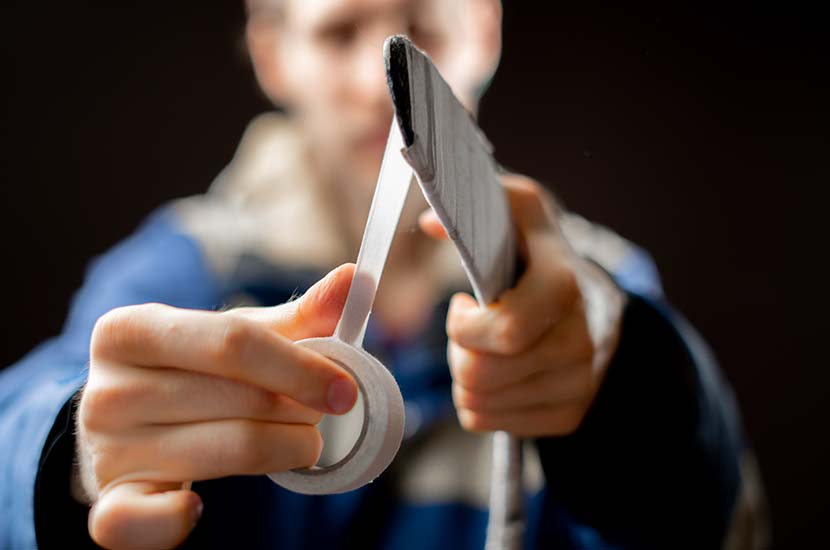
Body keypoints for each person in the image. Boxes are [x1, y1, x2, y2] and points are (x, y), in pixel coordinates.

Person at [1, 0, 768, 548]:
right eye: (338, 33)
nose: (380, 88)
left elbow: (725, 518)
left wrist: (627, 383)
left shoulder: (590, 287)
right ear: (272, 54)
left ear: (486, 30)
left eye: (426, 27)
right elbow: (29, 416)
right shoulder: (187, 273)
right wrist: (71, 454)